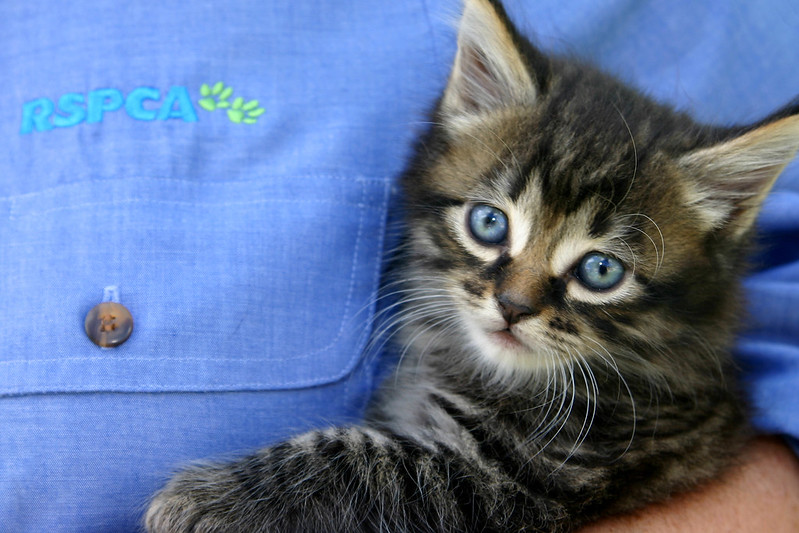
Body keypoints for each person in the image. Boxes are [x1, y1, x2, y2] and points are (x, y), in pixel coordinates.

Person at [1, 1, 797, 531]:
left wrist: (281, 486)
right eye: (491, 227)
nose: (515, 297)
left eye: (596, 270)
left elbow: (498, 494)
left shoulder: (622, 407)